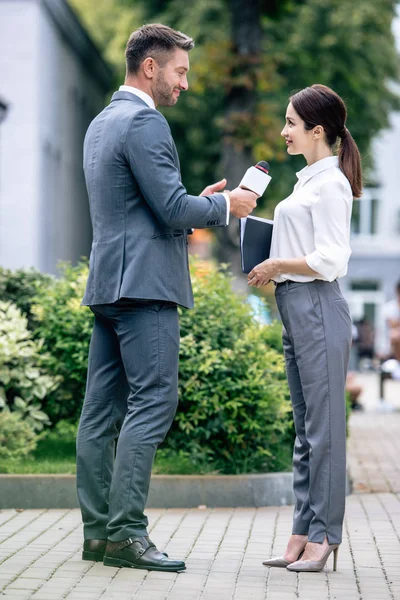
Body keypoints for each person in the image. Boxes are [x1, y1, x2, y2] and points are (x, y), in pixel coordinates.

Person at [76, 23, 258, 573]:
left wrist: (189, 203)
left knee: (99, 413)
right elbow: (174, 212)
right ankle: (128, 534)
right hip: (146, 289)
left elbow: (150, 207)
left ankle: (97, 535)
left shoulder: (101, 123)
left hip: (109, 284)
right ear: (150, 67)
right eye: (179, 72)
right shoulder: (146, 122)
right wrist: (229, 208)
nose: (185, 83)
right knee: (153, 403)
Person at [248, 84, 362, 572]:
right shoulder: (305, 182)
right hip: (296, 307)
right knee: (305, 432)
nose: (283, 131)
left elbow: (331, 259)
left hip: (317, 305)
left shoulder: (331, 184)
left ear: (317, 131)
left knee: (325, 433)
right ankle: (300, 532)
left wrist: (276, 264)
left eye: (291, 123)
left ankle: (325, 537)